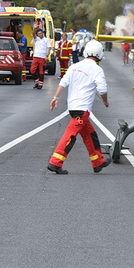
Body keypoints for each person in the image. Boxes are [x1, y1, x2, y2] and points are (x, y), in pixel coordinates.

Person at [47, 40, 110, 174]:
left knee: (90, 135)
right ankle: (55, 162)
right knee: (70, 136)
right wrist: (105, 101)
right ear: (100, 54)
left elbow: (63, 82)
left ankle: (98, 162)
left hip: (73, 107)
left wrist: (55, 97)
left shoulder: (74, 66)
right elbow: (102, 89)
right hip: (82, 110)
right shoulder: (97, 69)